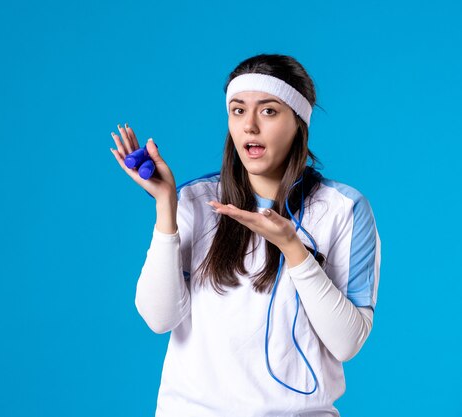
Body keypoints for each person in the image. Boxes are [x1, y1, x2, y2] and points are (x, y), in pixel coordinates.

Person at [109, 53, 381, 417]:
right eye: (238, 110)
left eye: (268, 111)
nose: (249, 126)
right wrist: (165, 207)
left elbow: (347, 343)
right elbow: (159, 319)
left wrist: (292, 247)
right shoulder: (195, 200)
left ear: (299, 123)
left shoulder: (343, 209)